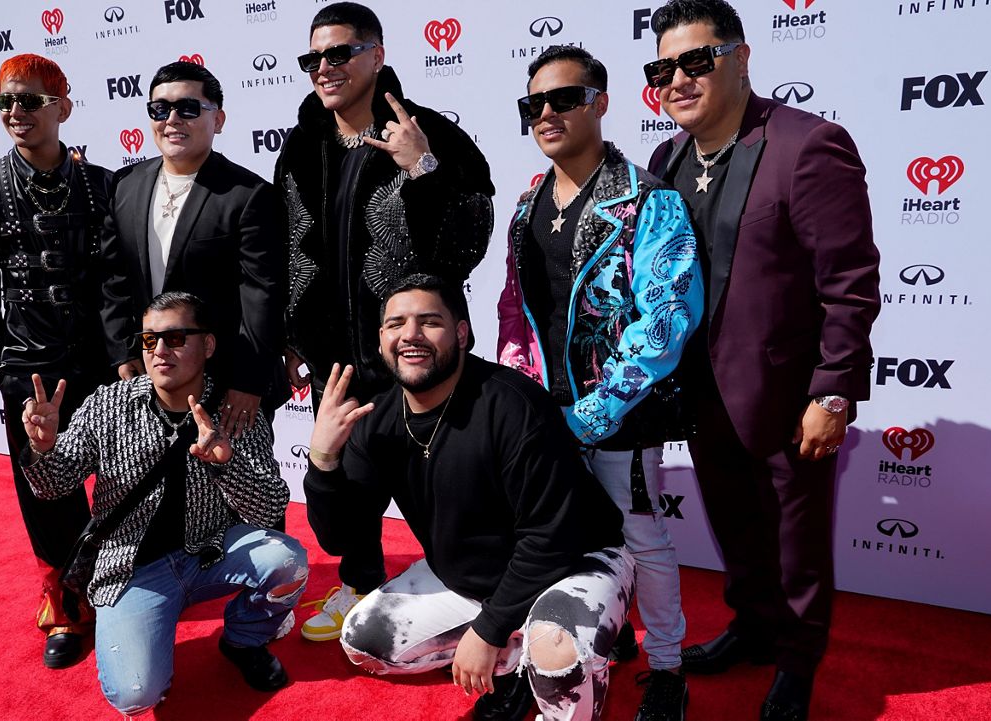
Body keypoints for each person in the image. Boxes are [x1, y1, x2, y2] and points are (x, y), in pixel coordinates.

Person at [644, 2, 881, 719]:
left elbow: (849, 284)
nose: (678, 79)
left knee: (796, 543)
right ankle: (752, 628)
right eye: (663, 68)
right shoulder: (667, 160)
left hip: (786, 395)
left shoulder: (809, 146)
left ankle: (799, 661)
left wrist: (833, 392)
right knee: (737, 528)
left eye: (696, 60)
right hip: (701, 394)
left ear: (741, 58)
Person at [305, 274, 633, 721]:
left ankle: (562, 649)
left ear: (461, 332)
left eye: (428, 322)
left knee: (557, 658)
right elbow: (343, 537)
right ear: (381, 339)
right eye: (395, 323)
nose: (410, 335)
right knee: (365, 642)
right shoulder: (375, 419)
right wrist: (323, 459)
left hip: (576, 560)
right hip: (473, 578)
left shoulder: (512, 403)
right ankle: (521, 655)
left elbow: (551, 538)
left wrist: (489, 630)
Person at [278, 0, 496, 643]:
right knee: (346, 480)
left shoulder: (427, 132)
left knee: (443, 478)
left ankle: (480, 587)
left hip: (415, 351)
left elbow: (470, 238)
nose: (325, 67)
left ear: (377, 56)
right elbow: (290, 245)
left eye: (340, 52)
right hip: (335, 357)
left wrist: (420, 168)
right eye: (313, 57)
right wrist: (292, 337)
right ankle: (360, 581)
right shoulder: (301, 144)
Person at [497, 45, 703, 721]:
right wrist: (524, 400)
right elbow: (513, 311)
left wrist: (589, 413)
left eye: (565, 99)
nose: (548, 113)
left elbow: (666, 321)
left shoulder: (650, 201)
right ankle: (538, 663)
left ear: (602, 103)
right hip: (544, 411)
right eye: (535, 105)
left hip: (624, 412)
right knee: (541, 535)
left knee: (641, 536)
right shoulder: (527, 202)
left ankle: (668, 667)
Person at [20, 291, 304, 716]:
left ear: (207, 345)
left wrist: (227, 464)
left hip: (208, 552)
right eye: (149, 341)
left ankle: (244, 639)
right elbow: (52, 486)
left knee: (288, 560)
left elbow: (269, 510)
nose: (160, 351)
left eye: (174, 338)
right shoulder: (108, 405)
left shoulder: (235, 412)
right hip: (131, 571)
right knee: (136, 694)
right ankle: (149, 629)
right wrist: (42, 449)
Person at [0, 53, 113, 669]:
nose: (15, 113)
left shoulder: (101, 183)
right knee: (45, 489)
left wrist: (125, 354)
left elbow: (116, 278)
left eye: (28, 101)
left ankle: (122, 582)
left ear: (63, 108)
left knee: (122, 473)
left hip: (100, 361)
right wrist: (0, 361)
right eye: (5, 102)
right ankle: (68, 604)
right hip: (27, 365)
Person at [100, 61, 286, 438]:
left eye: (187, 108)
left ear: (217, 120)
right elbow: (113, 279)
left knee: (230, 493)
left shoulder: (249, 196)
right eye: (159, 109)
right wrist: (125, 351)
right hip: (149, 373)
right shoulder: (125, 185)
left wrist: (248, 382)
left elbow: (262, 298)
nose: (171, 119)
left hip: (226, 383)